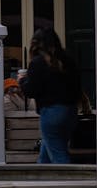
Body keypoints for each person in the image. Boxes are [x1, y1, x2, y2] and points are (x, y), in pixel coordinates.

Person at [18, 28, 80, 164]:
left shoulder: (38, 63)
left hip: (51, 113)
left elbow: (31, 90)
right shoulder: (68, 59)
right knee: (45, 156)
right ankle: (39, 180)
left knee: (59, 155)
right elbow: (77, 86)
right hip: (70, 111)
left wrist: (22, 80)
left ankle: (68, 183)